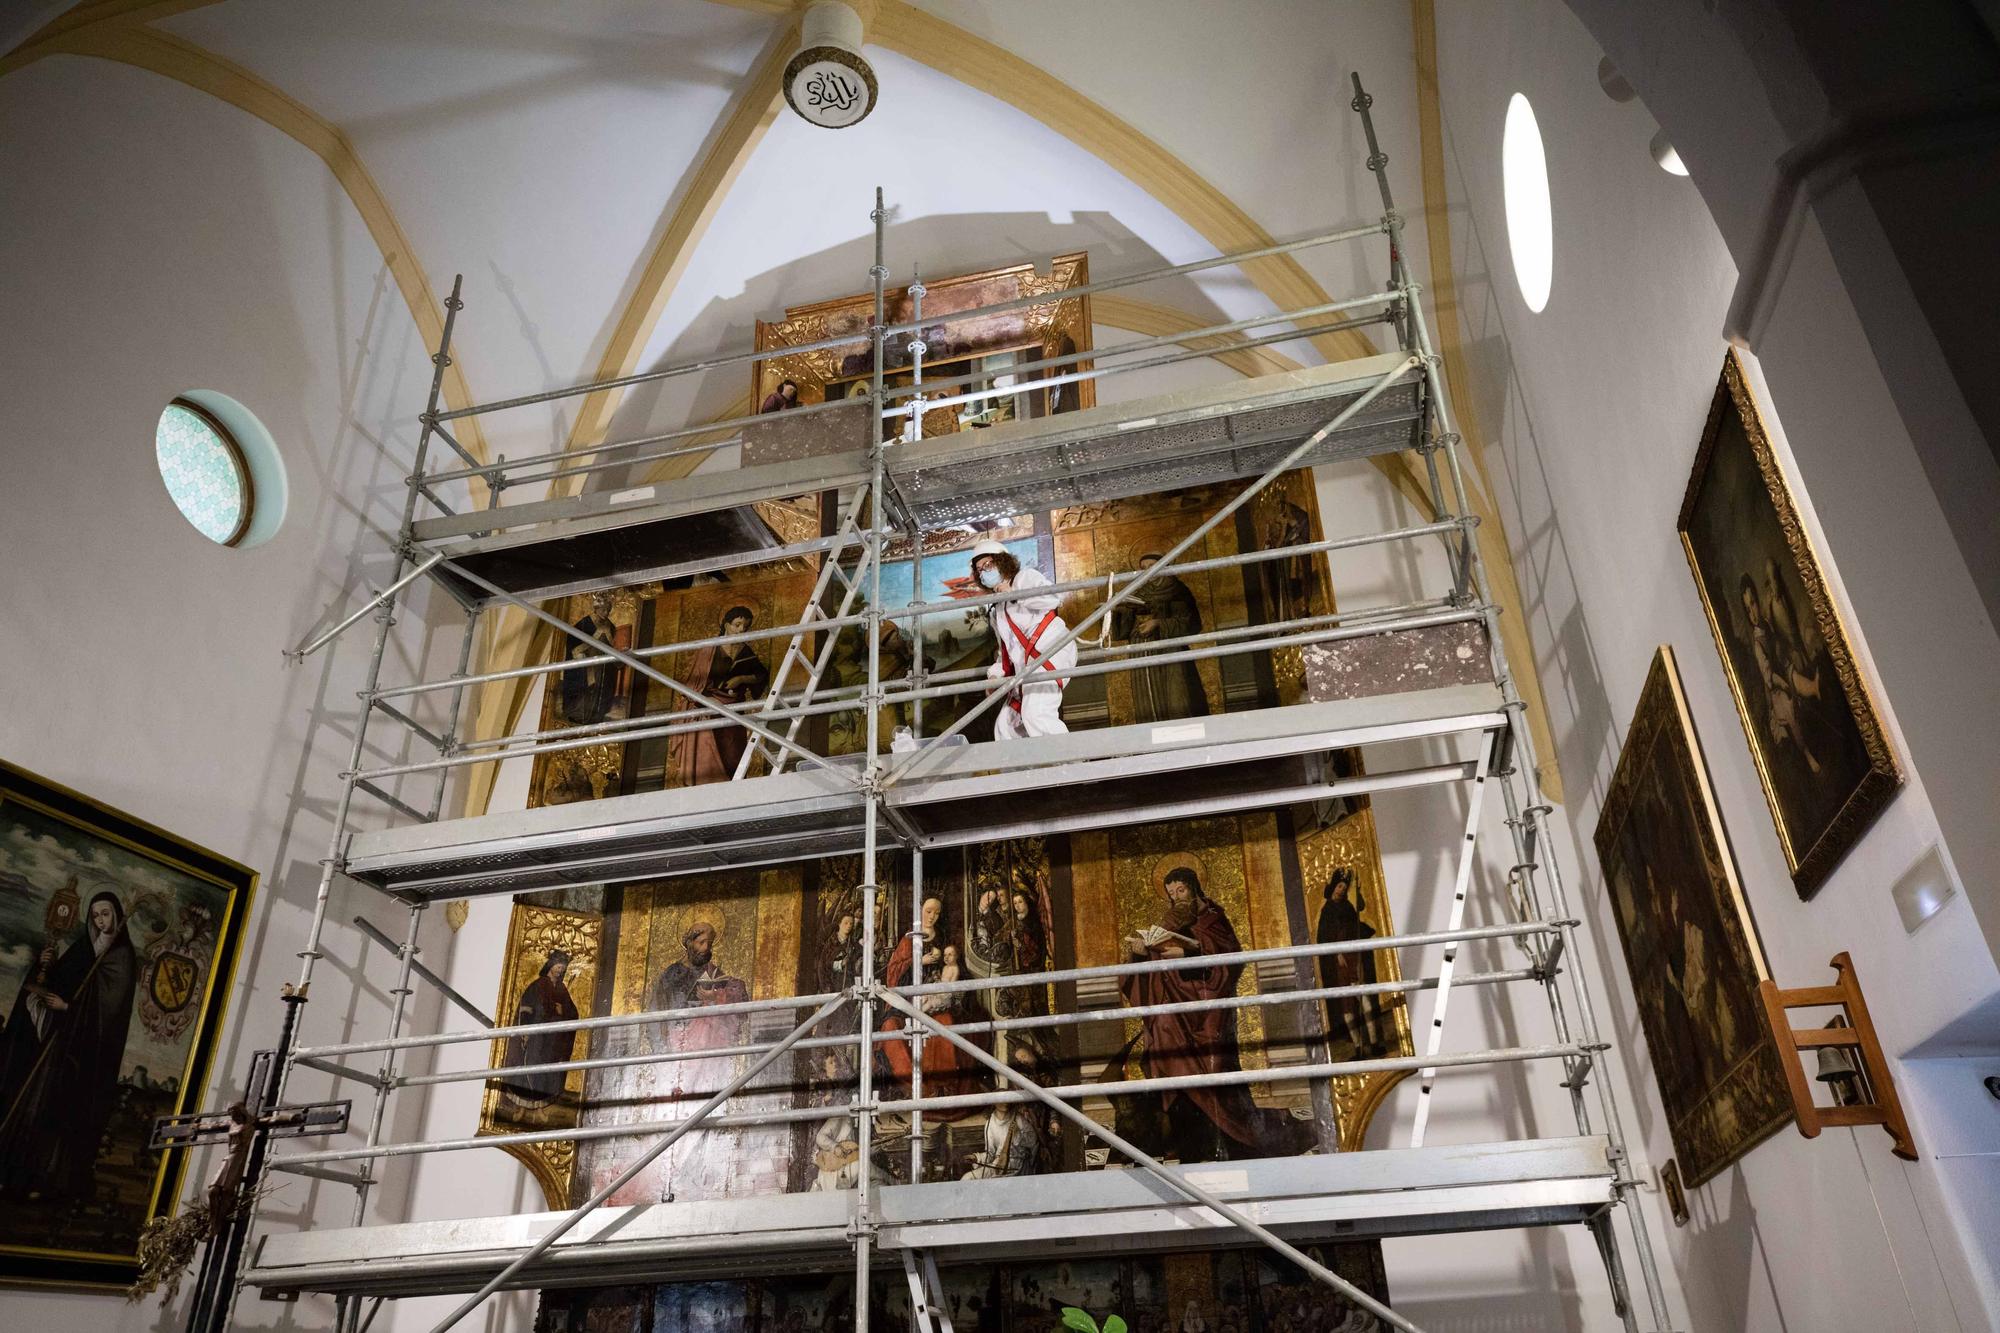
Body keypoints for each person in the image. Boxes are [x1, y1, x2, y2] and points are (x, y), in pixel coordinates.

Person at [1119, 867, 1304, 1163]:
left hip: (1209, 1012)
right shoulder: (1170, 921)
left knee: (1214, 1074)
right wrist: (1141, 953)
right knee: (1167, 1053)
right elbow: (1151, 967)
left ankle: (1232, 1139)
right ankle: (1189, 1144)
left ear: (1193, 887)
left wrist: (1189, 955)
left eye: (1180, 890)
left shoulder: (1213, 919)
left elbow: (1230, 960)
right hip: (1175, 1014)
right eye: (1171, 893)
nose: (1176, 897)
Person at [0, 891, 137, 1199]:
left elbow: (110, 1014)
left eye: (105, 913)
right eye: (95, 915)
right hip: (57, 1045)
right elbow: (56, 981)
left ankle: (45, 1182)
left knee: (55, 1113)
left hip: (81, 1056)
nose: (101, 920)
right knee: (32, 1107)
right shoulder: (84, 947)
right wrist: (43, 964)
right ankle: (14, 1174)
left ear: (116, 914)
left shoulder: (121, 957)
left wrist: (69, 1008)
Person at [971, 539, 1074, 740]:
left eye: (988, 565)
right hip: (1027, 666)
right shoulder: (997, 610)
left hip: (1051, 650)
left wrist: (1016, 594)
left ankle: (1070, 765)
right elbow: (1006, 651)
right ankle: (1025, 770)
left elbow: (1052, 599)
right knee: (1005, 727)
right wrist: (995, 675)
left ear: (1002, 562)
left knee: (1036, 713)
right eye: (980, 570)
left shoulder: (1025, 578)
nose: (984, 572)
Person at [669, 605, 771, 786]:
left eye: (745, 627)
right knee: (705, 755)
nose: (741, 630)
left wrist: (741, 678)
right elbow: (693, 683)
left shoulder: (745, 652)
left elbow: (762, 675)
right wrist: (705, 700)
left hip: (733, 711)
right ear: (726, 624)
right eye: (737, 625)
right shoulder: (709, 650)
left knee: (732, 755)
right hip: (706, 708)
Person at [1111, 553, 1210, 722]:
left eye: (1151, 566)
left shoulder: (1177, 590)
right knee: (1147, 697)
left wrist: (1158, 623)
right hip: (1142, 650)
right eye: (1143, 568)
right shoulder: (1137, 591)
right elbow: (1123, 630)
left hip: (1170, 651)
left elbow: (1191, 623)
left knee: (1176, 695)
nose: (1147, 571)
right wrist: (1118, 611)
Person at [1313, 869, 1386, 1058]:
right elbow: (1323, 938)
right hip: (1339, 964)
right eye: (1339, 886)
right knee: (1347, 1007)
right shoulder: (1327, 910)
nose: (1341, 891)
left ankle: (1375, 1043)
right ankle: (1358, 1047)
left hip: (1354, 957)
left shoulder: (1348, 907)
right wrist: (1336, 952)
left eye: (1344, 888)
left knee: (1364, 999)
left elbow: (1356, 923)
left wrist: (1359, 892)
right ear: (1333, 887)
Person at [497, 949, 582, 1108]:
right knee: (533, 1065)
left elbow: (573, 1013)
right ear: (550, 966)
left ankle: (542, 1106)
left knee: (548, 1071)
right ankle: (524, 1104)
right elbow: (526, 1009)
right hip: (537, 1036)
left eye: (562, 969)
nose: (560, 971)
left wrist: (563, 1011)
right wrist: (525, 1031)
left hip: (553, 1041)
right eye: (558, 967)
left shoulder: (562, 989)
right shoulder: (538, 985)